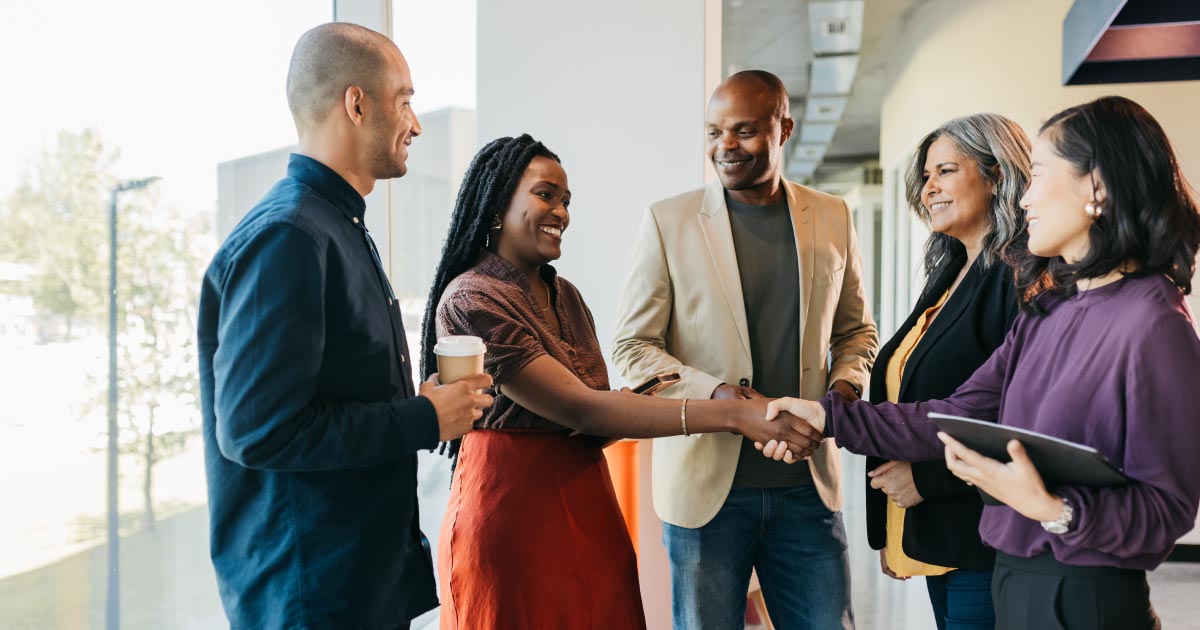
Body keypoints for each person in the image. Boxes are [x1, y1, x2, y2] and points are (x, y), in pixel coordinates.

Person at [762, 95, 1200, 630]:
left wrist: (1052, 507)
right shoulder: (1052, 308)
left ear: (1098, 189)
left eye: (1038, 177)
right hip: (1013, 582)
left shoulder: (1153, 322)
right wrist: (827, 417)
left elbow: (1166, 509)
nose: (1026, 198)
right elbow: (954, 414)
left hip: (1084, 597)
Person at [420, 134, 825, 630]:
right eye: (545, 194)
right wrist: (734, 415)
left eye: (566, 201)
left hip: (588, 500)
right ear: (498, 200)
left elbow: (591, 420)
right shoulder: (470, 299)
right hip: (510, 511)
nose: (562, 212)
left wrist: (660, 393)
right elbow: (584, 410)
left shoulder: (564, 295)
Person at [197, 23, 494, 629]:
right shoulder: (290, 237)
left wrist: (421, 408)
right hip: (313, 600)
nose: (415, 123)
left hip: (355, 586)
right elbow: (258, 430)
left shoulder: (333, 227)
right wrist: (422, 418)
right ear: (357, 104)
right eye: (405, 100)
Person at [612, 70, 877, 629]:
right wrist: (726, 400)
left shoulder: (832, 215)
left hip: (808, 487)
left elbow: (857, 333)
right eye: (714, 131)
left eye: (745, 130)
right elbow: (634, 348)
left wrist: (840, 397)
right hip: (706, 494)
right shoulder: (669, 220)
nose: (724, 146)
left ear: (784, 129)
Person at [863, 113, 1030, 630]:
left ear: (997, 174)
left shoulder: (1019, 276)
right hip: (940, 535)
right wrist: (895, 529)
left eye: (946, 171)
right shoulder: (951, 271)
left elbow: (1024, 420)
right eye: (926, 176)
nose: (928, 188)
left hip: (985, 539)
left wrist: (929, 482)